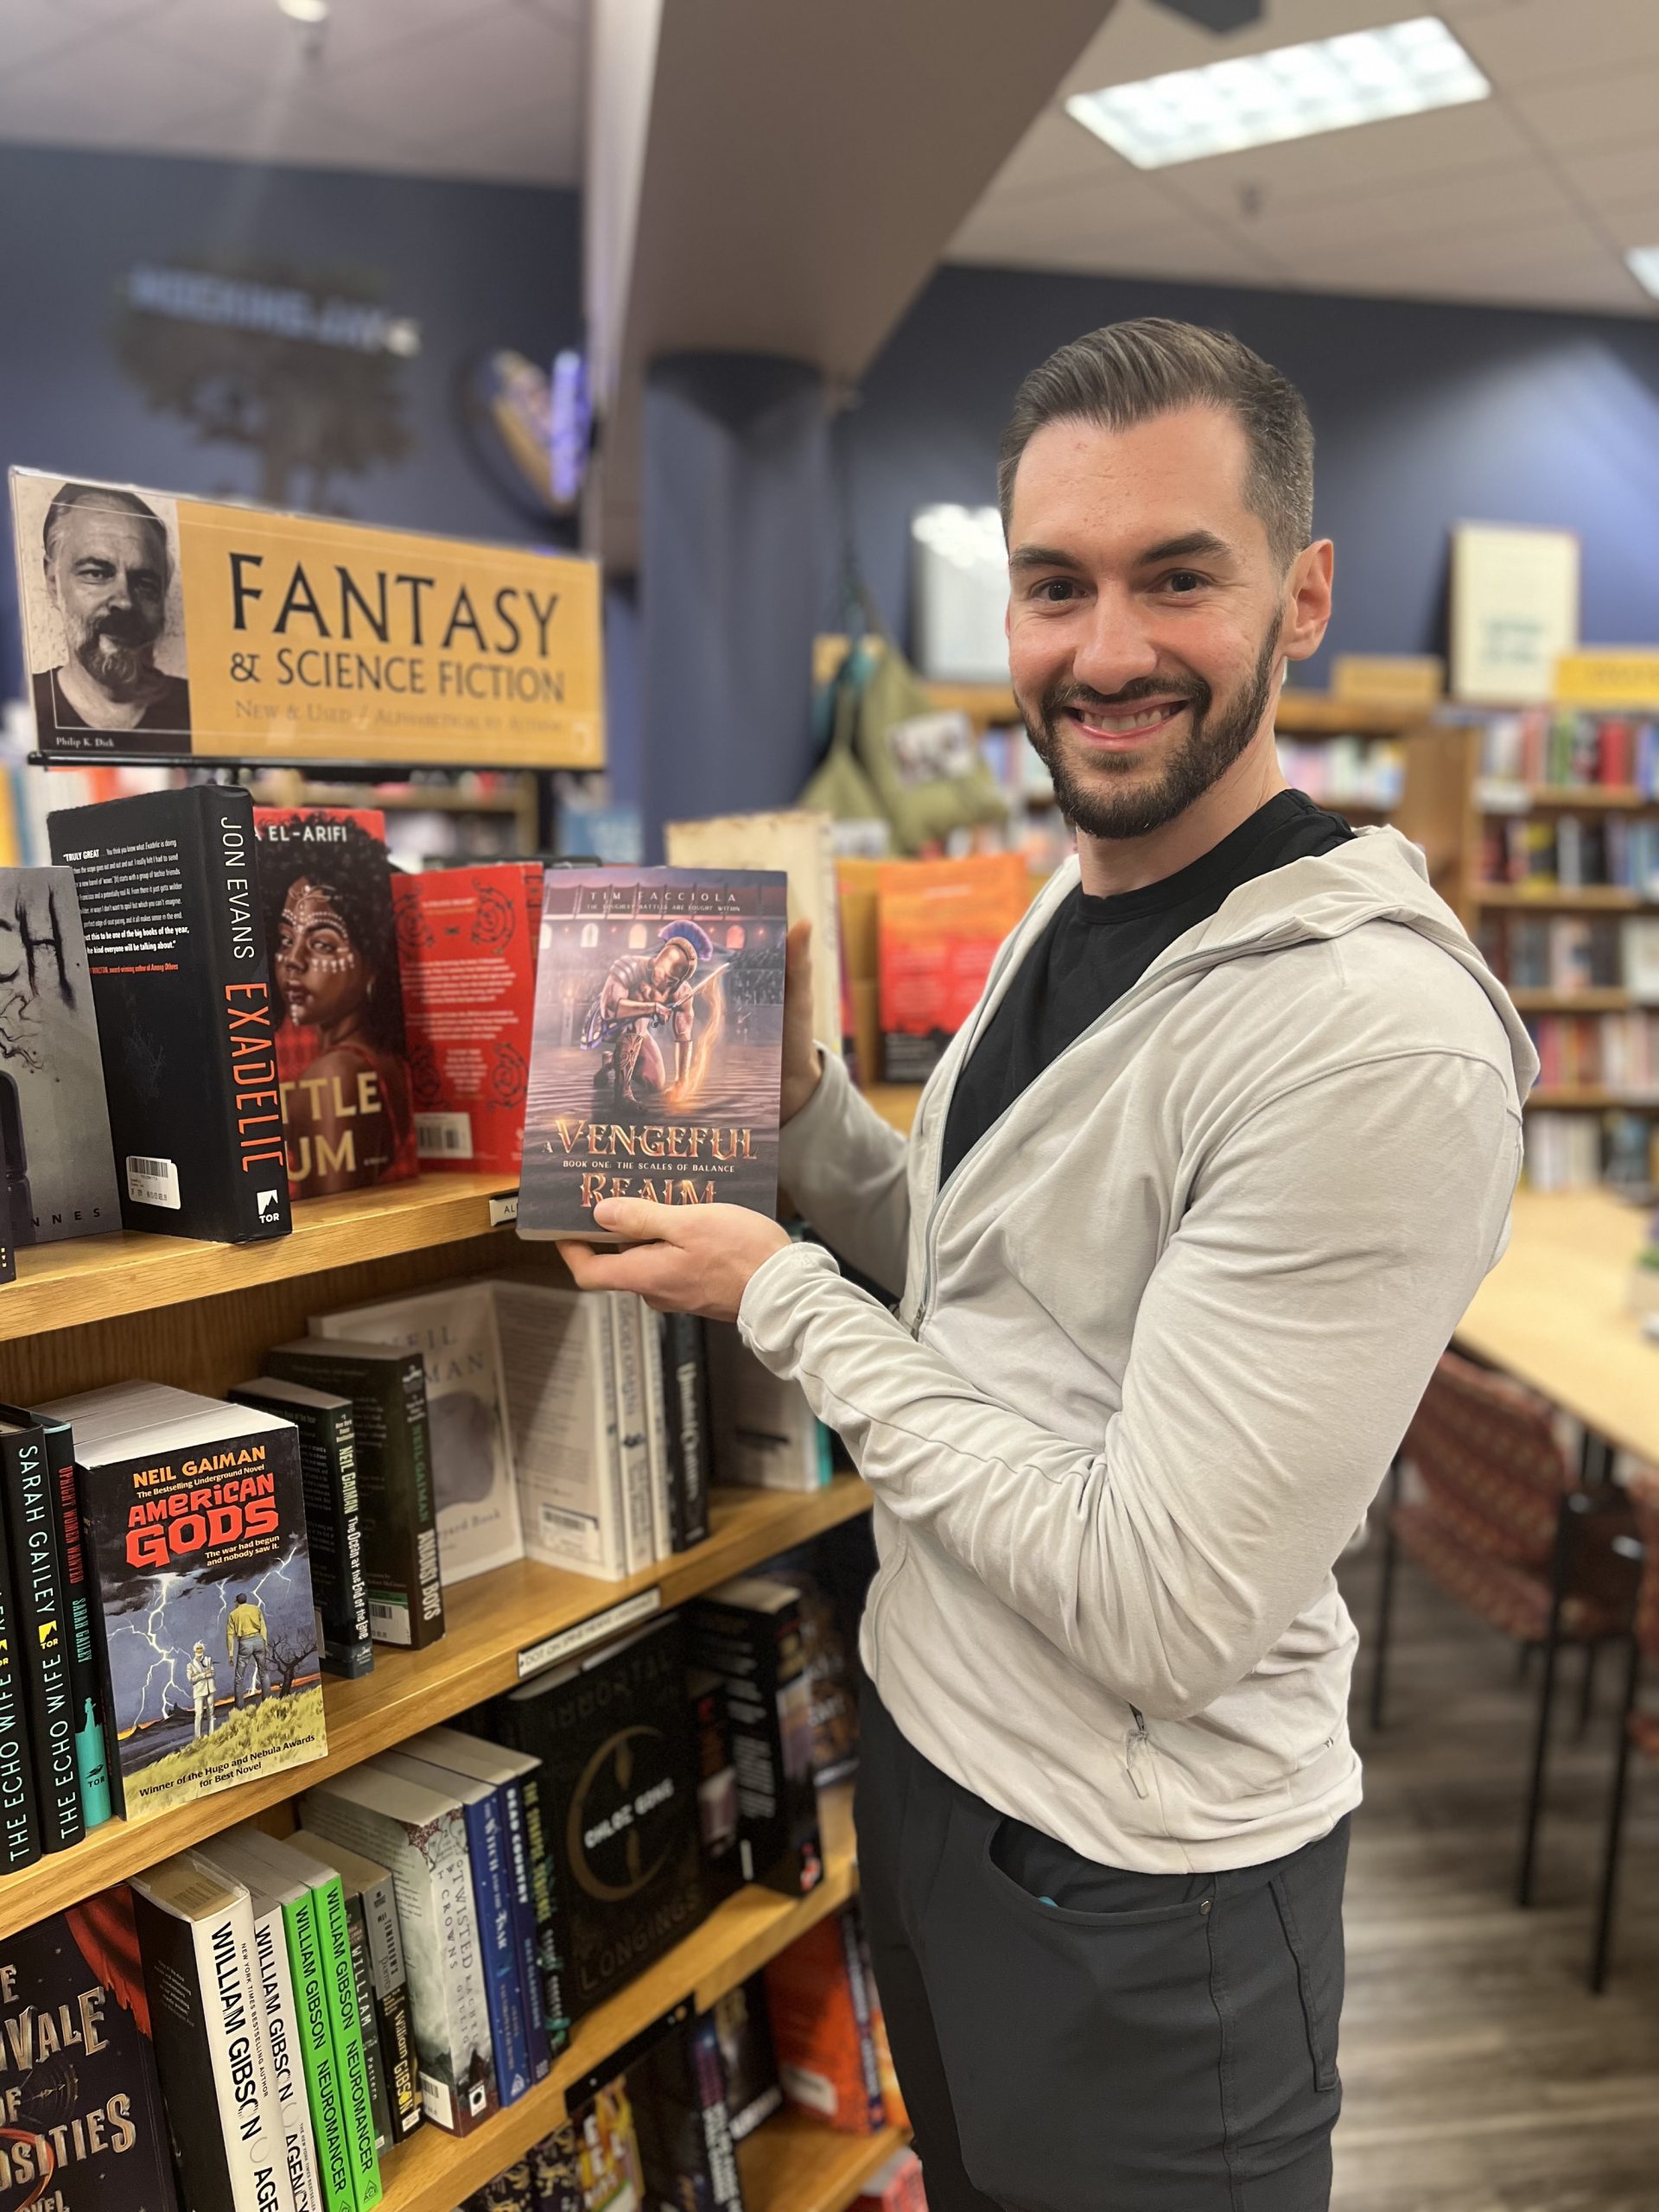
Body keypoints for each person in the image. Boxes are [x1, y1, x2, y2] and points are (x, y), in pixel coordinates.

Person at [563, 319, 1535, 2209]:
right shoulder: (1071, 897)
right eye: (1054, 584)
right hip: (942, 1781)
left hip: (1147, 1899)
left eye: (1179, 576)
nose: (1106, 651)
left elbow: (1169, 1602)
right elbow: (992, 1283)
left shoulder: (1367, 1039)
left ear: (1304, 593)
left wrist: (779, 1293)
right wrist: (806, 1105)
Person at [263, 820, 416, 1195]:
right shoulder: (376, 1059)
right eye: (286, 938)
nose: (292, 960)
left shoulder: (334, 1075)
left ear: (372, 963)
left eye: (323, 945)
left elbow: (336, 1232)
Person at [31, 482, 191, 738]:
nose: (125, 601)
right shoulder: (26, 709)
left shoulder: (196, 711)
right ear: (53, 582)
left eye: (144, 583)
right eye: (96, 573)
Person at [582, 919, 715, 1107]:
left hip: (638, 1031)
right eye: (669, 978)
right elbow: (610, 1008)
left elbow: (683, 1035)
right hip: (607, 1024)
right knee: (638, 1022)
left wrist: (680, 1082)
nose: (672, 986)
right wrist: (652, 1007)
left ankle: (610, 1062)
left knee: (654, 1083)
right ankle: (623, 1095)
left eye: (677, 981)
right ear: (658, 964)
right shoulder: (629, 967)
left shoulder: (681, 991)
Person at [226, 1592, 270, 1709]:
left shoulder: (233, 1614)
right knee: (264, 1673)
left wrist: (230, 1654)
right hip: (258, 1640)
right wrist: (265, 1643)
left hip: (245, 1643)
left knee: (239, 1678)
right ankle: (268, 1703)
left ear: (237, 1602)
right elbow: (263, 1627)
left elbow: (230, 1635)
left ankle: (239, 1709)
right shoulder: (256, 1609)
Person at [187, 1642, 216, 1738]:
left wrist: (197, 1675)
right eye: (197, 1649)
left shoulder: (208, 1659)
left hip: (210, 1689)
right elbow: (191, 1679)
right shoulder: (190, 1665)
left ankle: (211, 1735)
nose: (199, 1650)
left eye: (201, 1649)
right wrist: (204, 1674)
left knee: (211, 1714)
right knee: (199, 1714)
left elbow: (212, 1673)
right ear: (194, 1650)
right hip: (199, 1692)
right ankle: (198, 1738)